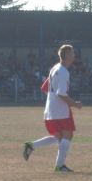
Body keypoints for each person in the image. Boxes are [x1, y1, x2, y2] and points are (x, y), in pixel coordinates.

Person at [23, 44, 83, 172]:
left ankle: (31, 145)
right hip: (60, 110)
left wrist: (53, 101)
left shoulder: (54, 68)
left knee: (59, 137)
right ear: (68, 56)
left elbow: (45, 88)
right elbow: (61, 93)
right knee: (67, 136)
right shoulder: (63, 71)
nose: (74, 55)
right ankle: (59, 166)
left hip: (50, 108)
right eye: (72, 53)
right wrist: (75, 104)